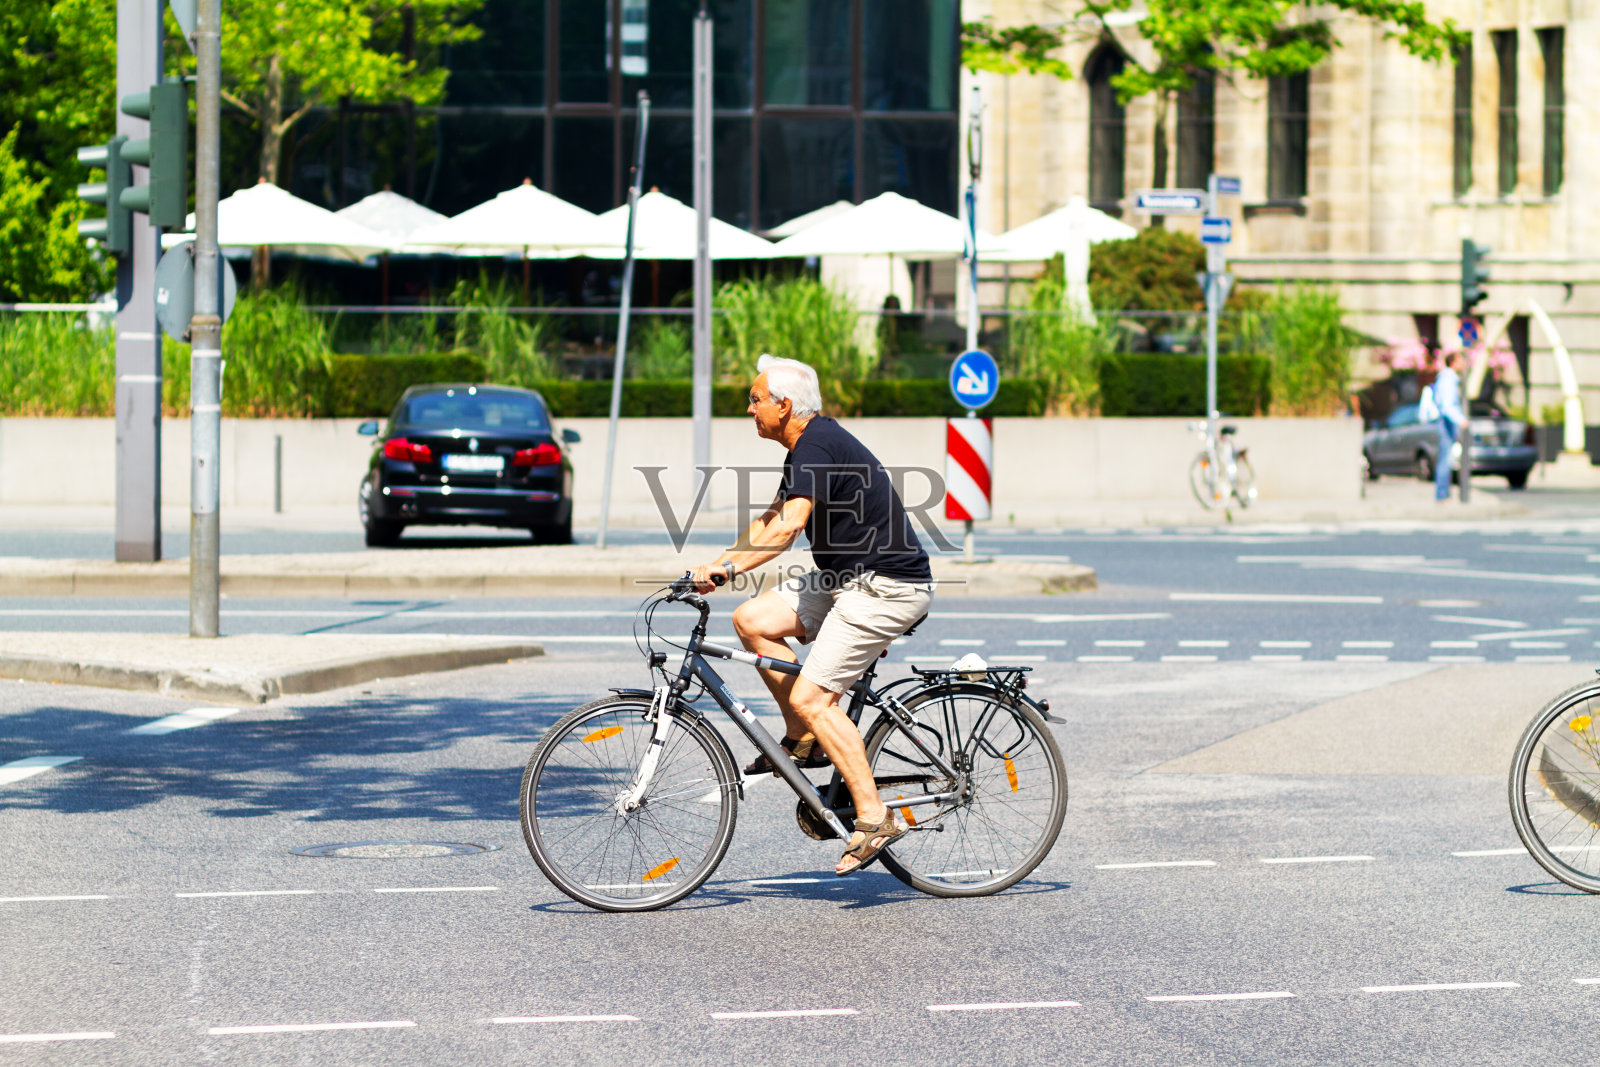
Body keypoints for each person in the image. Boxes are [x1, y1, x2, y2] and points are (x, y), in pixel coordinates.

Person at [690, 354, 935, 877]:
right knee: (753, 620)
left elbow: (788, 529)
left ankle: (874, 818)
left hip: (886, 585)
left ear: (785, 404)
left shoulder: (818, 443)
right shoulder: (806, 448)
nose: (749, 408)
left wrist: (726, 570)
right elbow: (770, 520)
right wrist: (718, 563)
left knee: (813, 695)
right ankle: (803, 738)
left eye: (755, 399)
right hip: (848, 580)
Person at [1431, 350, 1465, 501]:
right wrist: (1460, 420)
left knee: (1448, 458)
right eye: (1460, 359)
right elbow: (1447, 405)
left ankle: (1444, 492)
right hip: (1447, 421)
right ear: (1453, 362)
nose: (1463, 363)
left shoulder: (1448, 378)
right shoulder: (1448, 379)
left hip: (1447, 420)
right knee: (1445, 458)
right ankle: (1442, 493)